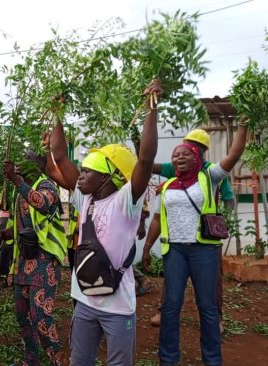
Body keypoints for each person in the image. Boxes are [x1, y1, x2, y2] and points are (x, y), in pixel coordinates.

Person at [51, 79, 162, 365]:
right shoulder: (83, 199)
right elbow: (60, 155)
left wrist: (152, 107)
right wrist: (56, 112)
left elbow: (146, 160)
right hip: (84, 301)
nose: (80, 176)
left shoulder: (126, 202)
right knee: (80, 361)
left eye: (87, 172)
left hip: (118, 307)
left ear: (106, 178)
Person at [143, 123, 248, 366]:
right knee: (170, 306)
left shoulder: (209, 176)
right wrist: (147, 247)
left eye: (184, 154)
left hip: (204, 251)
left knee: (207, 307)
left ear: (197, 158)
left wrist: (243, 125)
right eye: (175, 155)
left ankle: (212, 360)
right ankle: (168, 359)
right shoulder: (167, 186)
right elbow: (158, 219)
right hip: (175, 252)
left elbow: (234, 155)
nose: (178, 158)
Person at [145, 128, 233, 327]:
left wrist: (226, 220)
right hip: (177, 241)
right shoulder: (178, 164)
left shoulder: (212, 171)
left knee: (213, 283)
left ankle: (216, 317)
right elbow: (151, 166)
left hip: (206, 237)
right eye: (187, 145)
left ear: (202, 151)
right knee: (172, 280)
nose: (188, 151)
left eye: (195, 147)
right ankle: (164, 311)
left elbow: (228, 197)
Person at [0, 149, 68, 365]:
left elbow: (41, 204)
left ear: (39, 165)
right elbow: (20, 226)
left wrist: (15, 180)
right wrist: (3, 234)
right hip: (24, 261)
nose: (20, 163)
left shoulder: (47, 186)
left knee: (41, 315)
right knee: (22, 315)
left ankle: (57, 359)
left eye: (27, 159)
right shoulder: (20, 189)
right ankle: (31, 360)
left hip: (45, 261)